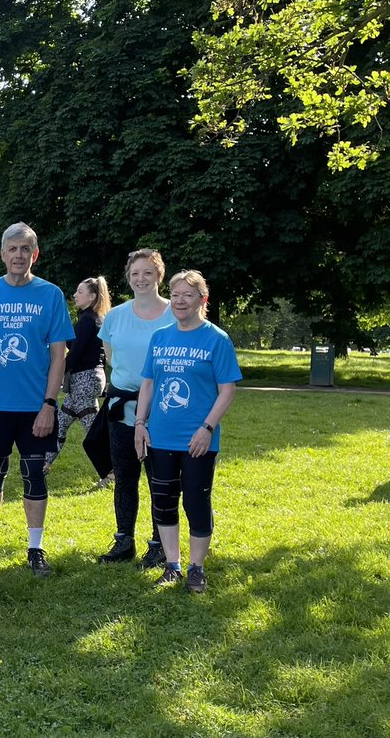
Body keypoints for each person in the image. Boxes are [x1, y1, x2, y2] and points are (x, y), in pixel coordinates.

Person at [0, 223, 74, 576]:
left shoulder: (50, 295)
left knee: (34, 473)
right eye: (13, 249)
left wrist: (49, 405)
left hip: (35, 407)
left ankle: (35, 548)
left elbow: (59, 355)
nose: (19, 255)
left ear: (34, 254)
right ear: (3, 254)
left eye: (26, 249)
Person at [134, 270, 240, 593]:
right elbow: (149, 384)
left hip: (198, 439)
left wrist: (207, 428)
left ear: (202, 300)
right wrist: (140, 423)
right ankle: (172, 565)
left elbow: (227, 390)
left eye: (188, 296)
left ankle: (196, 567)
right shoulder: (161, 337)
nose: (180, 301)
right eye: (176, 295)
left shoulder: (216, 339)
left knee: (196, 502)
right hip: (161, 435)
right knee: (163, 501)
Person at [96, 249, 177, 566]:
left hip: (164, 410)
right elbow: (113, 360)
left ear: (159, 276)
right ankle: (123, 542)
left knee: (161, 479)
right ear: (128, 278)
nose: (141, 279)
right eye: (135, 274)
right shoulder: (115, 316)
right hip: (122, 409)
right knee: (126, 477)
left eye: (147, 273)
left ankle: (159, 544)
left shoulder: (175, 313)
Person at [45, 277, 111, 482]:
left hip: (85, 380)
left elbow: (75, 353)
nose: (75, 295)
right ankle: (44, 464)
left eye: (80, 292)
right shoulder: (92, 318)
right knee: (61, 422)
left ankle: (113, 471)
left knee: (93, 430)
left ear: (92, 296)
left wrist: (56, 372)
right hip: (86, 379)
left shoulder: (88, 320)